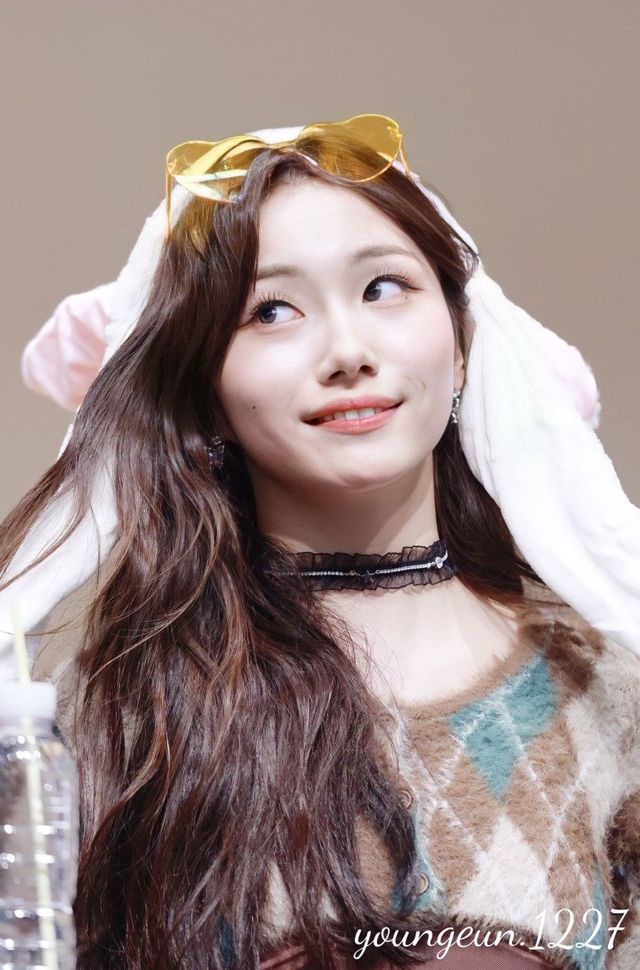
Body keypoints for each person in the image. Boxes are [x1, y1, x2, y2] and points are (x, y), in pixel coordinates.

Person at [0, 115, 638, 970]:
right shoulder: (119, 711)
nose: (347, 349)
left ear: (462, 347)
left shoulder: (611, 687)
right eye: (271, 310)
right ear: (204, 390)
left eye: (384, 288)